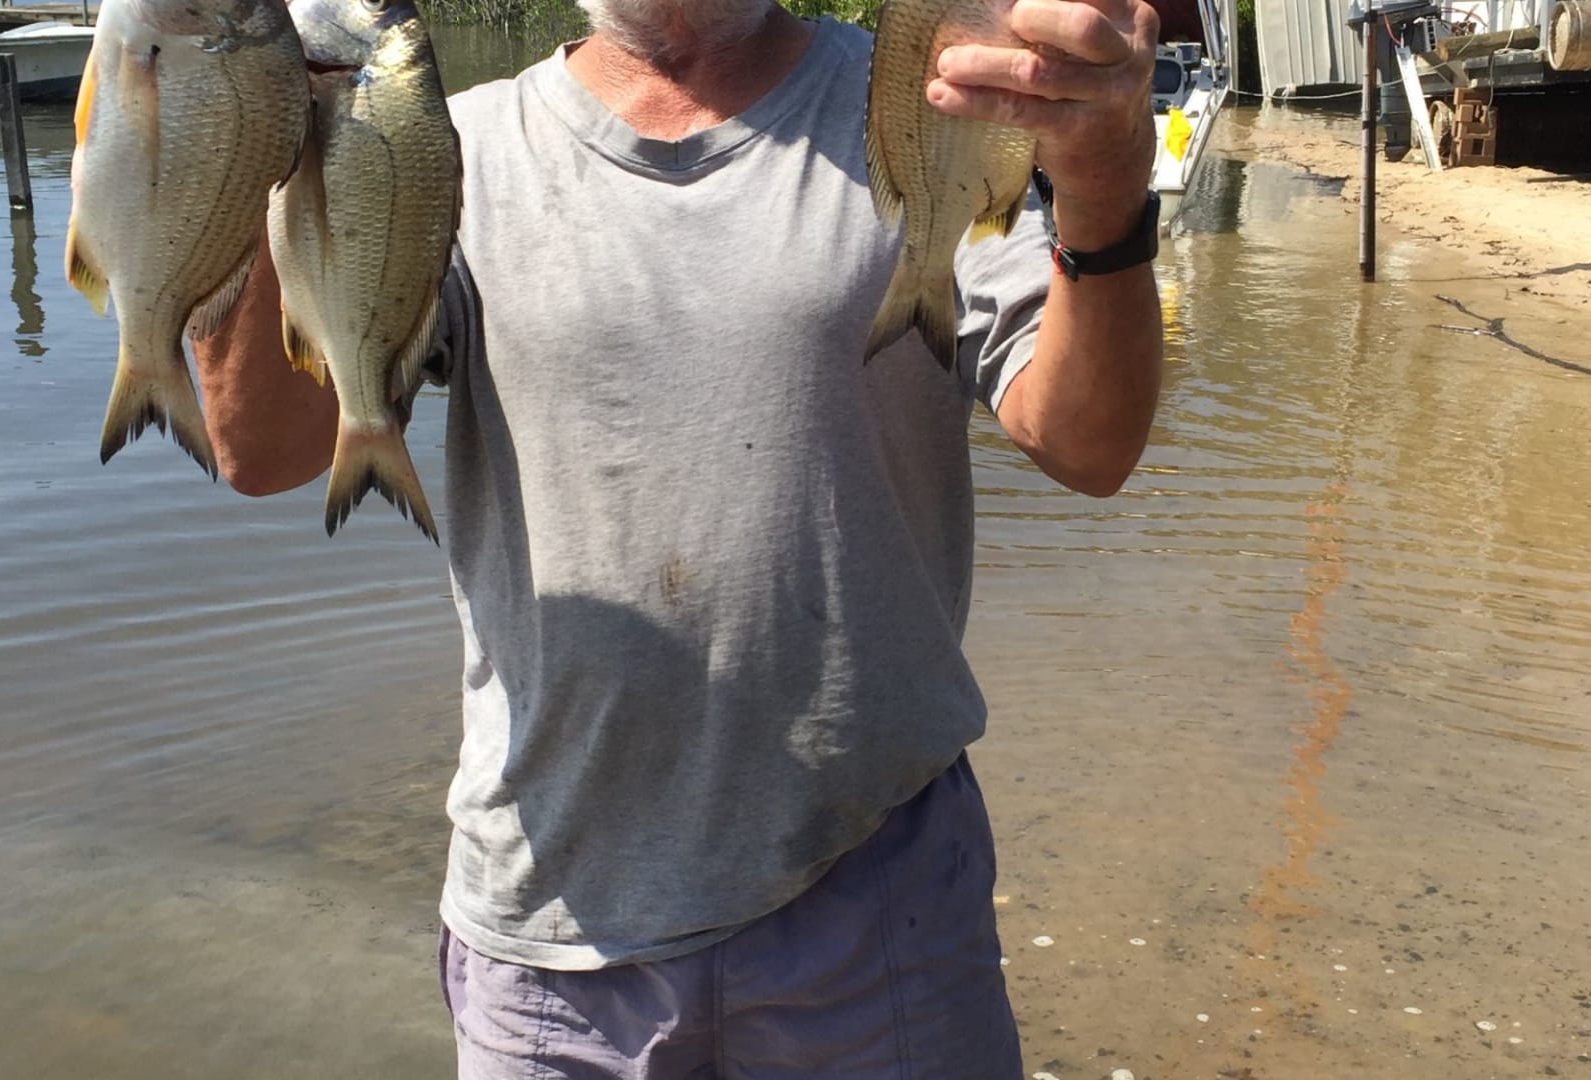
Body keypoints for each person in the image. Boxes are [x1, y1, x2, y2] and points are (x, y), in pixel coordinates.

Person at [195, 0, 1163, 1074]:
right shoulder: (442, 147)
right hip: (550, 923)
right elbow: (263, 449)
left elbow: (1090, 444)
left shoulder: (926, 100)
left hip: (876, 896)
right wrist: (259, 145)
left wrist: (1105, 185)